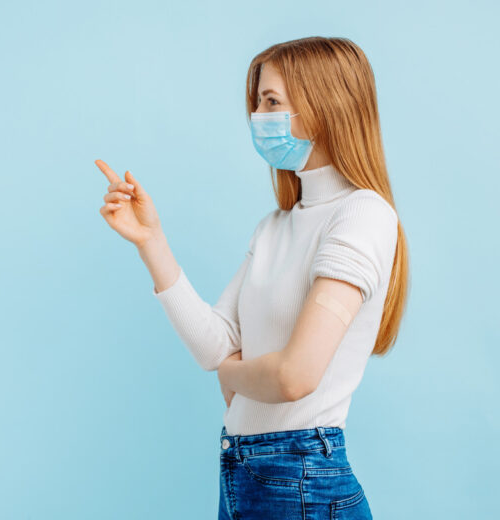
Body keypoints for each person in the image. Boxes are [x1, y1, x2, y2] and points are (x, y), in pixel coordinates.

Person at [94, 36, 408, 519]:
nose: (259, 117)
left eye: (272, 102)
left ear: (325, 104)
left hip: (299, 480)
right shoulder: (275, 227)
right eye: (258, 102)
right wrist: (150, 241)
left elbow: (294, 376)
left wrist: (231, 373)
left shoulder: (362, 214)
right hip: (244, 474)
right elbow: (213, 344)